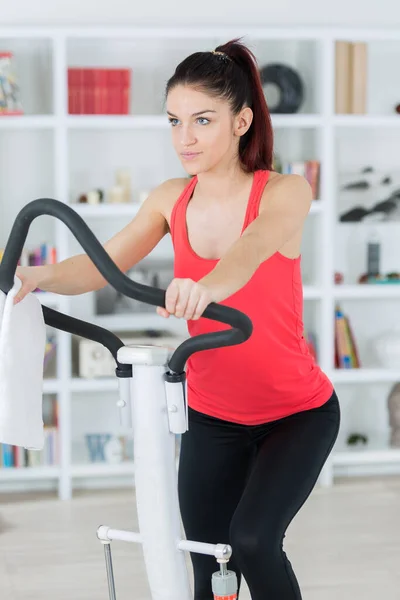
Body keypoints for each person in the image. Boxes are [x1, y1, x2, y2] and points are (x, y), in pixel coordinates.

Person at [14, 38, 340, 600]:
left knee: (255, 541)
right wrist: (34, 279)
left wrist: (206, 286)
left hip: (296, 415)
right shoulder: (171, 199)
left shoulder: (284, 192)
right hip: (212, 417)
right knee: (208, 566)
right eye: (174, 121)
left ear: (241, 121)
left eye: (202, 120)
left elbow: (252, 249)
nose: (184, 138)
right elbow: (101, 265)